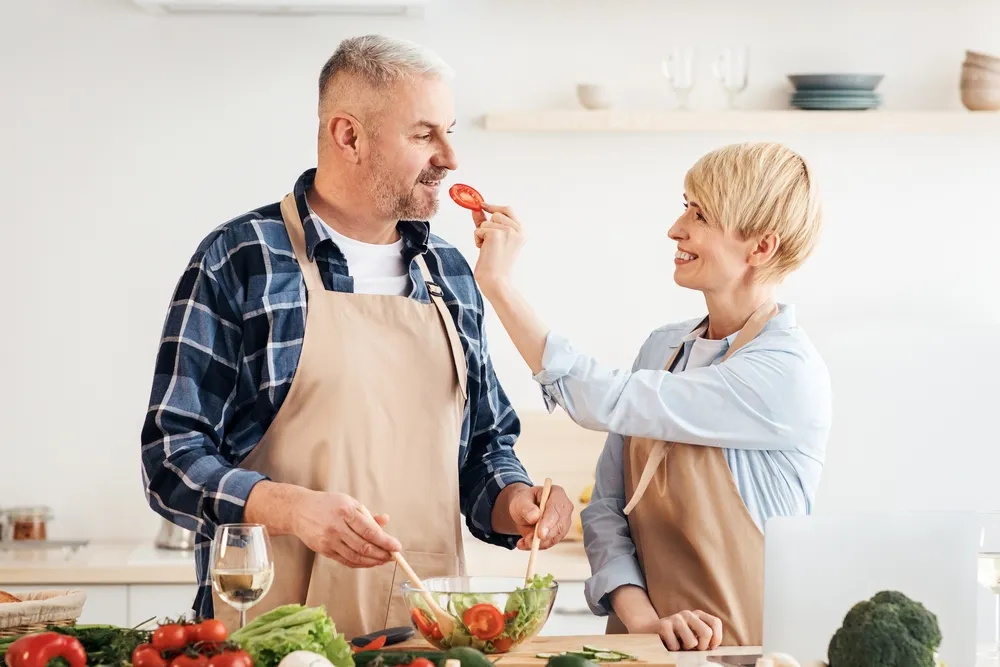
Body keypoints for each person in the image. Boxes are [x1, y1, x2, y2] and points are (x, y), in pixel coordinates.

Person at [140, 34, 574, 637]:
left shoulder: (449, 271)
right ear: (349, 136)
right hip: (270, 631)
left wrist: (517, 501)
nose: (450, 157)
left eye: (449, 131)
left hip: (429, 630)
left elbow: (483, 448)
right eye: (424, 134)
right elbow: (170, 457)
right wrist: (292, 509)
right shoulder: (242, 258)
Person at [469, 142, 832, 651]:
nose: (677, 228)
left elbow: (607, 398)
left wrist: (500, 285)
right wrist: (641, 622)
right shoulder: (664, 348)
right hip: (638, 650)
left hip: (751, 655)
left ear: (761, 248)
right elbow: (606, 507)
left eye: (701, 214)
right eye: (685, 205)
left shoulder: (785, 373)